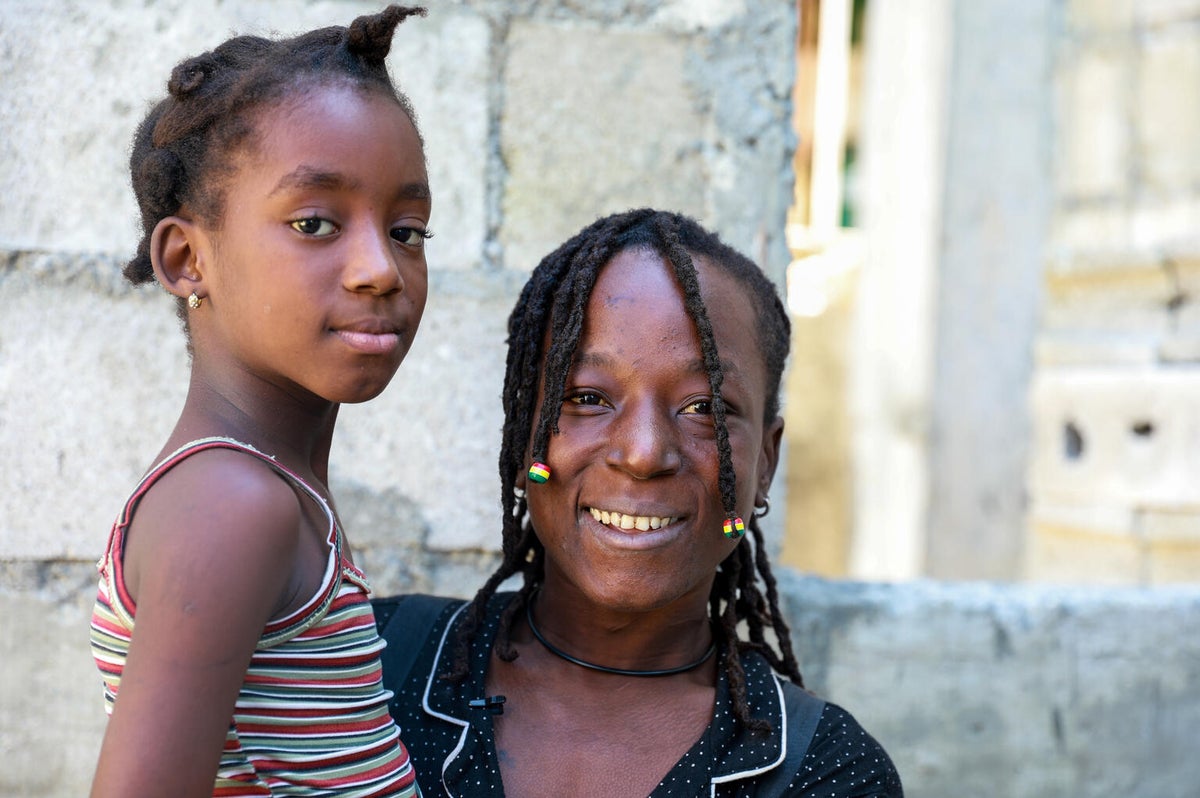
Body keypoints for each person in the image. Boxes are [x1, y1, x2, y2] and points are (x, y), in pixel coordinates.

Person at [374, 209, 903, 796]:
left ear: (765, 465)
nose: (645, 453)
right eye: (589, 397)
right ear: (525, 433)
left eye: (705, 408)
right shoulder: (375, 662)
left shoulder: (824, 772)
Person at [87, 6, 433, 796]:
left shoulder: (259, 491)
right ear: (187, 258)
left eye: (409, 230)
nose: (380, 267)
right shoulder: (234, 505)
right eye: (315, 223)